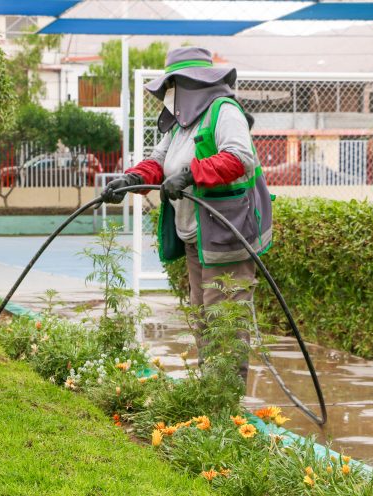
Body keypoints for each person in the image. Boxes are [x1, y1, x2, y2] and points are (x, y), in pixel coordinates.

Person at [102, 47, 273, 381]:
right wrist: (132, 179)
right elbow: (158, 161)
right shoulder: (181, 125)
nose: (169, 94)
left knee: (225, 318)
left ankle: (227, 402)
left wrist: (191, 174)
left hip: (228, 233)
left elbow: (240, 158)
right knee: (203, 315)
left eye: (173, 85)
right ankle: (209, 392)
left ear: (191, 84)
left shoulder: (224, 112)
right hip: (197, 235)